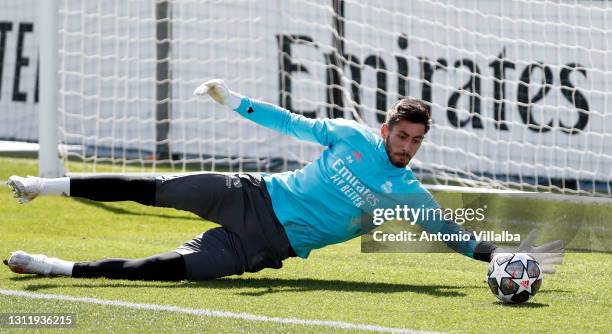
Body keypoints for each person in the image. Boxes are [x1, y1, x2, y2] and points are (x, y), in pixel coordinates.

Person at [4, 79, 564, 281]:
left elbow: (449, 232)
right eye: (403, 136)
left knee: (161, 270)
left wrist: (494, 255)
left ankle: (57, 267)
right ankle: (40, 186)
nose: (407, 148)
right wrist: (233, 102)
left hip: (264, 247)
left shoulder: (407, 191)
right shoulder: (348, 135)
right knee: (153, 188)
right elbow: (290, 122)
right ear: (387, 126)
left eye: (417, 142)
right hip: (251, 193)